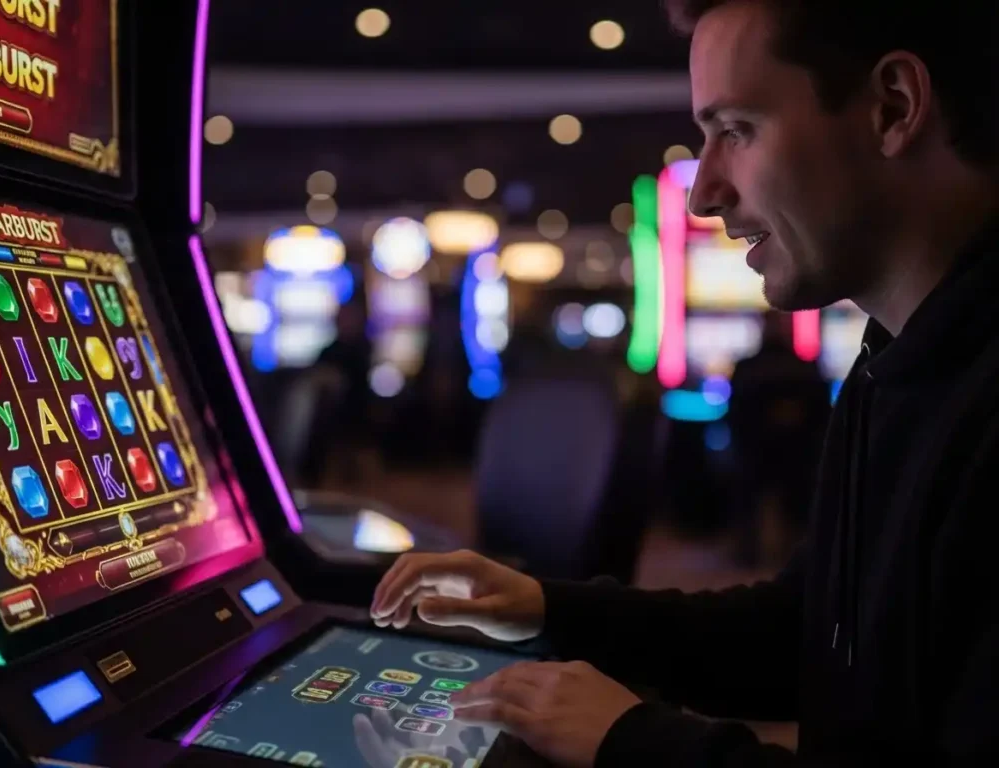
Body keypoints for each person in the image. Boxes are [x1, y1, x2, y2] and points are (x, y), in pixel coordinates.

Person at [371, 1, 999, 765]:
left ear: (892, 107)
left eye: (736, 130)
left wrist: (635, 742)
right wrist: (547, 607)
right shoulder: (891, 362)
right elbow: (808, 634)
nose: (705, 194)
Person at [728, 310, 831, 565]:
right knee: (796, 506)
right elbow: (823, 415)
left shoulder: (747, 366)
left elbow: (733, 413)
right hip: (796, 452)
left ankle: (749, 554)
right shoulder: (806, 367)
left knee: (751, 501)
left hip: (756, 451)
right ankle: (793, 559)